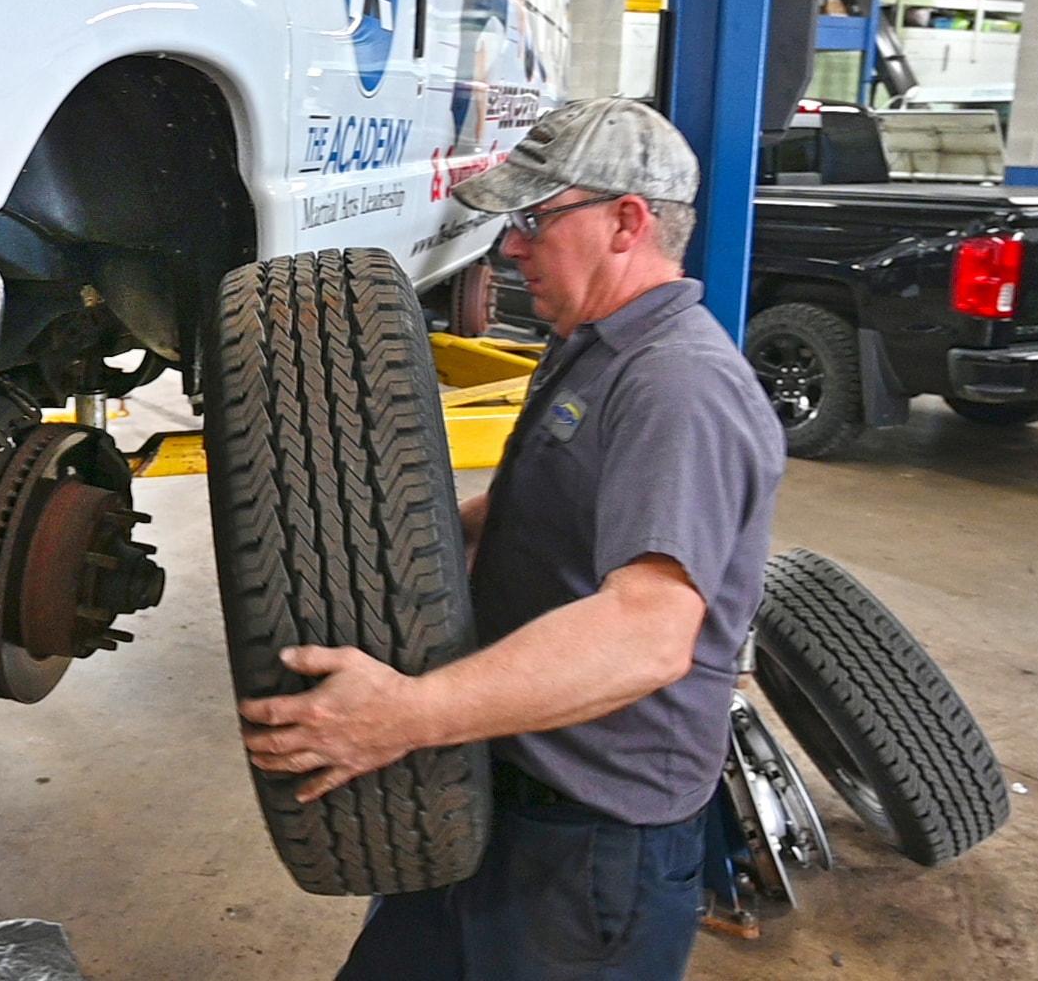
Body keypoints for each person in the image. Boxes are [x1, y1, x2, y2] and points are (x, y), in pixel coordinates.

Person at [239, 97, 787, 981]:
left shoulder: (678, 388)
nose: (511, 246)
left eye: (535, 218)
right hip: (495, 785)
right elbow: (533, 509)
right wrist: (383, 561)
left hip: (592, 848)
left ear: (627, 221)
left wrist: (400, 716)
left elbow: (647, 635)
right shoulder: (591, 349)